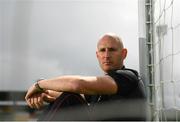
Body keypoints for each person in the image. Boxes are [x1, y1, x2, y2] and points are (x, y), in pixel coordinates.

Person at [25, 33, 146, 120]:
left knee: (69, 97)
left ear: (124, 53)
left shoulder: (128, 77)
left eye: (112, 50)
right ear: (97, 55)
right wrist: (45, 93)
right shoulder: (100, 89)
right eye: (102, 50)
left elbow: (76, 85)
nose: (106, 55)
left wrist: (39, 85)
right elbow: (76, 93)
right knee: (69, 96)